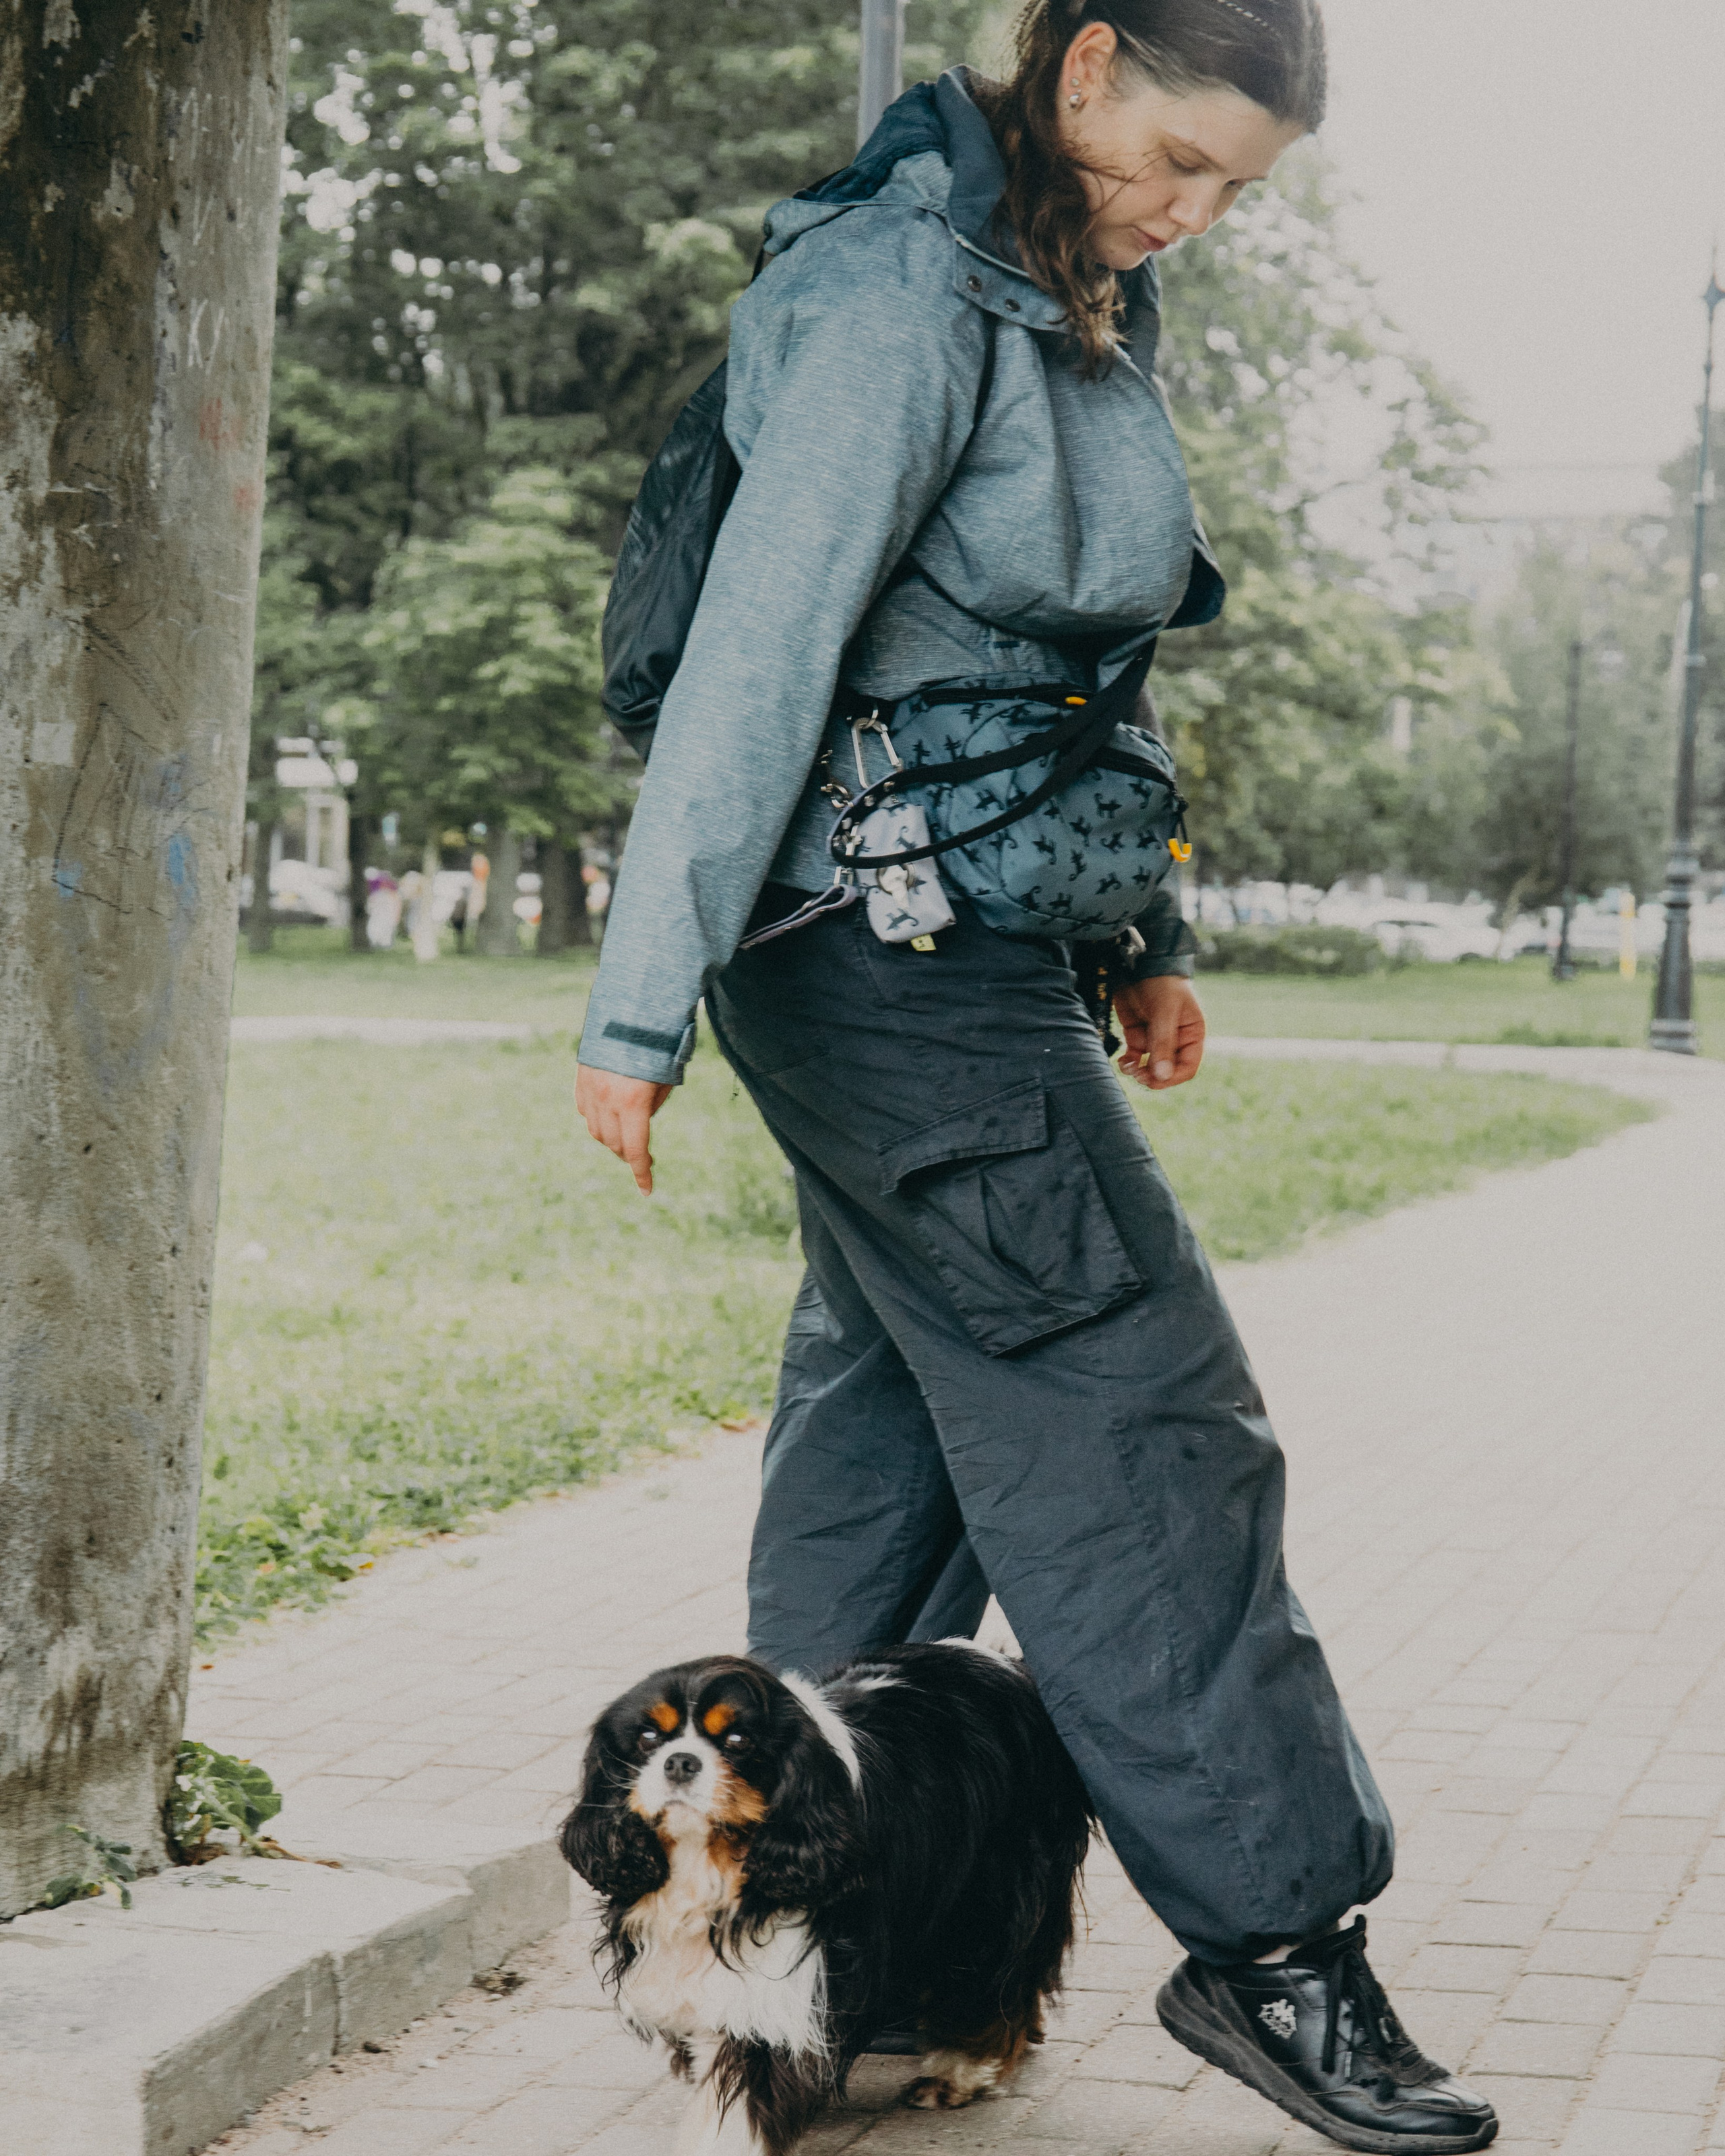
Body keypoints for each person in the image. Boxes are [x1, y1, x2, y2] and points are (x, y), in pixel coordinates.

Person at [573, 5, 1498, 2149]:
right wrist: (638, 1003)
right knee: (1139, 1431)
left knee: (896, 1415)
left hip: (958, 953)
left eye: (1235, 193)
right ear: (1080, 68)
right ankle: (1278, 1954)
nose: (1191, 212)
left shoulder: (1070, 294)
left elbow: (1068, 681)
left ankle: (821, 1954)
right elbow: (764, 656)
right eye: (1175, 155)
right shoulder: (899, 295)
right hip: (883, 965)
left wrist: (1134, 936)